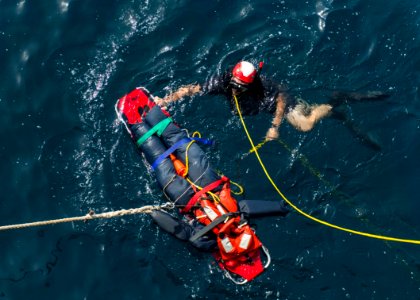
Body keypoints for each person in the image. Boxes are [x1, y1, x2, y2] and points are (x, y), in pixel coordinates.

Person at [154, 60, 388, 142]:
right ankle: (336, 112)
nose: (235, 90)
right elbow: (191, 89)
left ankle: (337, 101)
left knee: (305, 126)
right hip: (258, 110)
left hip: (280, 105)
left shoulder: (264, 83)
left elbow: (282, 99)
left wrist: (275, 126)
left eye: (241, 87)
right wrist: (166, 100)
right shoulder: (222, 82)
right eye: (234, 85)